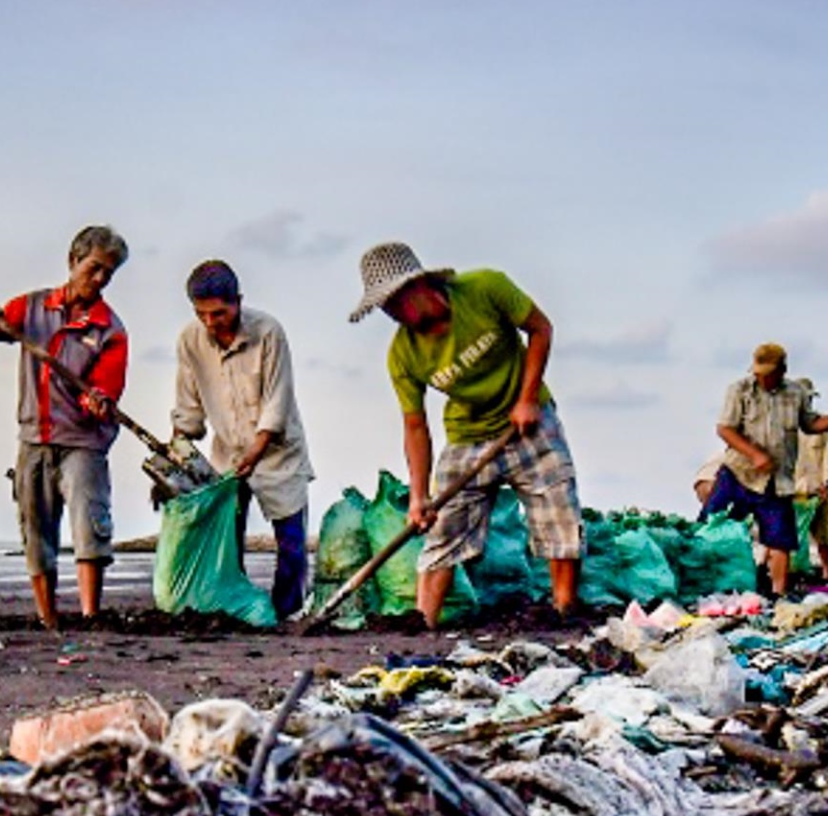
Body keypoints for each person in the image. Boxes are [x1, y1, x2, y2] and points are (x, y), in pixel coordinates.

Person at [350, 241, 581, 626]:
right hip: (468, 435)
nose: (392, 314)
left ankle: (565, 610)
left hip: (528, 421)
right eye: (384, 308)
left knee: (558, 511)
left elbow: (540, 329)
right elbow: (415, 426)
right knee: (443, 529)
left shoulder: (485, 288)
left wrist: (526, 399)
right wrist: (420, 495)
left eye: (394, 302)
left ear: (419, 286)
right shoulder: (403, 354)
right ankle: (423, 622)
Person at [0, 226, 130, 630]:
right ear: (73, 261)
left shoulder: (110, 329)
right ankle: (49, 619)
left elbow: (107, 388)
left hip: (83, 442)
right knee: (35, 527)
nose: (98, 280)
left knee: (89, 523)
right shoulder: (31, 308)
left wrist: (95, 401)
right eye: (93, 269)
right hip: (34, 438)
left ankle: (91, 616)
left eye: (107, 274)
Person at [171, 260, 315, 617]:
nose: (210, 322)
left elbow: (276, 403)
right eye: (201, 314)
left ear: (237, 301)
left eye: (218, 313)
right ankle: (233, 609)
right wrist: (175, 456)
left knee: (292, 544)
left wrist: (255, 451)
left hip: (279, 453)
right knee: (227, 540)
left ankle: (287, 612)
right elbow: (188, 408)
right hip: (227, 454)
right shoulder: (190, 341)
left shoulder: (268, 333)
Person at [702, 343, 828, 597]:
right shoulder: (739, 390)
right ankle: (704, 589)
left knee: (780, 541)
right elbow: (725, 429)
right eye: (759, 373)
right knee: (710, 530)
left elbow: (812, 425)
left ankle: (778, 595)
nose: (762, 378)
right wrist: (754, 454)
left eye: (768, 373)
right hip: (739, 473)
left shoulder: (795, 393)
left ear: (782, 370)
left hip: (777, 480)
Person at [793, 388, 828, 583]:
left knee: (821, 533)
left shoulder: (821, 426)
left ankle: (827, 570)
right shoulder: (785, 425)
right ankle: (790, 571)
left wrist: (825, 483)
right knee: (790, 533)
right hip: (792, 489)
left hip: (816, 487)